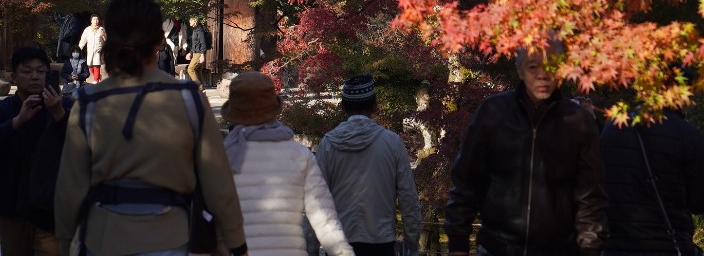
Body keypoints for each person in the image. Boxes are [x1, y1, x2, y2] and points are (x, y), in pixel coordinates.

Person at [55, 0, 249, 256]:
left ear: (111, 38)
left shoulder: (88, 102)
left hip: (104, 238)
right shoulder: (189, 99)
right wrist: (237, 244)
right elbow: (219, 184)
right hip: (170, 236)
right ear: (159, 40)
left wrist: (66, 244)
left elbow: (69, 190)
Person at [444, 42, 607, 256]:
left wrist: (591, 249)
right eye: (533, 67)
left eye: (551, 67)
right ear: (520, 70)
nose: (542, 75)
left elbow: (590, 197)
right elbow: (466, 181)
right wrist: (458, 245)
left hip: (559, 249)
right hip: (498, 247)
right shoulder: (493, 113)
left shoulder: (579, 122)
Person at [222, 71, 352, 256]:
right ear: (274, 111)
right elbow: (325, 219)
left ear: (233, 114)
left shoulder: (222, 157)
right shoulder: (299, 155)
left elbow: (206, 220)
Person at [315, 74, 421, 256]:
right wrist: (411, 242)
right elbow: (408, 197)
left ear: (343, 107)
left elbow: (315, 201)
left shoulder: (328, 144)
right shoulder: (392, 142)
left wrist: (310, 248)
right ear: (375, 106)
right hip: (381, 242)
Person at [0, 46, 69, 256]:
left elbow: (83, 146)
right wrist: (17, 121)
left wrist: (59, 116)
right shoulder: (0, 109)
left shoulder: (64, 106)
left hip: (52, 205)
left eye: (40, 71)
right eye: (27, 72)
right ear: (14, 77)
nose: (35, 77)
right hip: (12, 203)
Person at [598, 109, 704, 256]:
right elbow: (702, 202)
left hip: (617, 244)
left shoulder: (612, 127)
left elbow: (596, 187)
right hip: (667, 243)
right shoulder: (684, 132)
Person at [79, 13, 107, 85]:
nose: (96, 21)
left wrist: (103, 35)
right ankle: (97, 76)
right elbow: (83, 40)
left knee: (96, 65)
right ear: (91, 21)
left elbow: (106, 40)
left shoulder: (101, 29)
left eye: (97, 19)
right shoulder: (87, 29)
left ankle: (96, 80)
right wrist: (79, 48)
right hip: (90, 50)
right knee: (90, 66)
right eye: (94, 19)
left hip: (98, 50)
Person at [187, 20, 213, 85]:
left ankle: (198, 87)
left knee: (190, 69)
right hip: (196, 52)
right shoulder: (195, 30)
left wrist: (202, 55)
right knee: (198, 70)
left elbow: (203, 43)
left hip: (199, 53)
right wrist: (190, 53)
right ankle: (202, 89)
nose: (189, 22)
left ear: (195, 21)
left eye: (191, 21)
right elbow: (194, 44)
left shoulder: (200, 30)